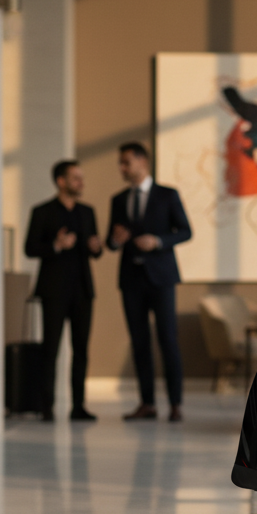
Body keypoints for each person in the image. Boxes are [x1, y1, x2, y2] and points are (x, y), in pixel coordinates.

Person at [106, 142, 192, 422]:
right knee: (139, 341)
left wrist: (157, 241)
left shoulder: (168, 194)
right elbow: (112, 240)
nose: (122, 168)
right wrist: (115, 242)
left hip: (162, 278)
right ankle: (147, 403)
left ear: (142, 162)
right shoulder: (118, 200)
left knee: (168, 339)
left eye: (126, 162)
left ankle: (175, 404)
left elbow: (185, 231)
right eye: (121, 163)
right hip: (131, 280)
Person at [24, 160, 103, 422]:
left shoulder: (87, 212)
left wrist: (95, 247)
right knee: (51, 348)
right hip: (54, 289)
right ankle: (46, 406)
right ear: (61, 181)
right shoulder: (42, 211)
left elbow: (95, 250)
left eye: (81, 178)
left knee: (81, 349)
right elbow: (30, 248)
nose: (81, 182)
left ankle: (78, 406)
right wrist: (56, 245)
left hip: (82, 289)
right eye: (76, 178)